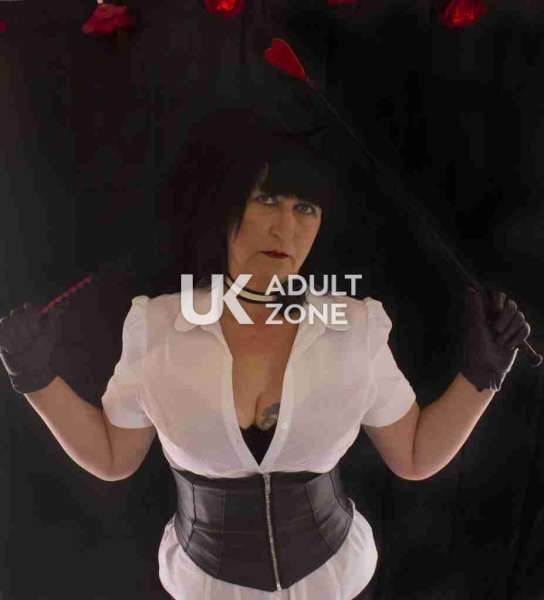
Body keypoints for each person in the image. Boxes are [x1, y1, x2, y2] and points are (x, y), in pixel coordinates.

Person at [0, 108, 532, 600]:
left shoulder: (355, 325)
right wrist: (36, 378)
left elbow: (413, 454)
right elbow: (114, 456)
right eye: (267, 200)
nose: (285, 227)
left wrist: (483, 373)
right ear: (227, 208)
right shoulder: (157, 325)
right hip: (206, 587)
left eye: (305, 208)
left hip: (332, 582)